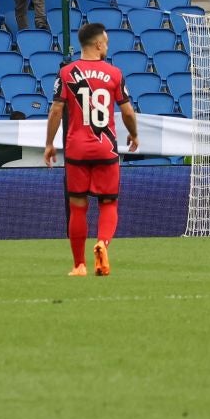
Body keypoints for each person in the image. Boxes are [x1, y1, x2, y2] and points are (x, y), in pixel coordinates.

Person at [44, 22, 141, 278]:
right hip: (105, 148)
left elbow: (55, 110)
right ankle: (102, 243)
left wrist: (49, 143)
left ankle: (79, 265)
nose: (106, 46)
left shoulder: (66, 73)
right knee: (109, 203)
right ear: (99, 44)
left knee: (78, 207)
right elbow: (128, 111)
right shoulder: (115, 74)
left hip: (76, 149)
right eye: (106, 42)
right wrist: (133, 133)